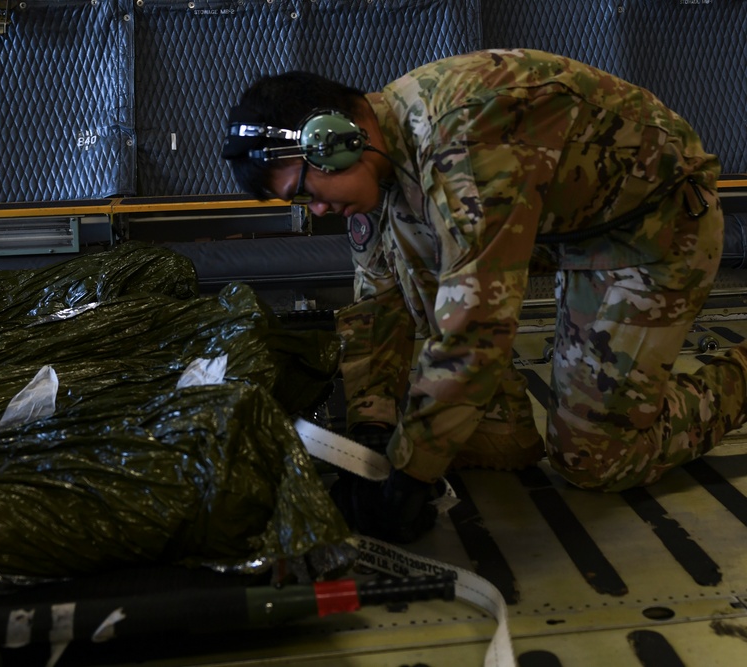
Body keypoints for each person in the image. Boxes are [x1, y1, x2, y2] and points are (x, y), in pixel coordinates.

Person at [220, 48, 747, 543]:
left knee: (594, 460)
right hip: (567, 225)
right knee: (405, 253)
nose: (314, 211)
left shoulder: (461, 143)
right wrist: (374, 424)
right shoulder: (384, 169)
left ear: (335, 140)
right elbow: (374, 303)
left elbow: (475, 326)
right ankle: (500, 421)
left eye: (305, 193)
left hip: (653, 228)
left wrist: (410, 471)